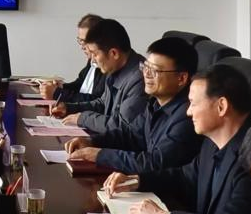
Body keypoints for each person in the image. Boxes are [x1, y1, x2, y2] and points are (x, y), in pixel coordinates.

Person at [103, 64, 251, 214]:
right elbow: (184, 177)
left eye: (193, 104)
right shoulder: (212, 143)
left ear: (221, 106)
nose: (188, 112)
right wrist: (136, 181)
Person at [65, 37, 201, 174]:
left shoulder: (187, 116)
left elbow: (155, 163)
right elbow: (130, 135)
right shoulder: (155, 103)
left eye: (155, 70)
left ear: (181, 78)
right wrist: (92, 142)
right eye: (145, 67)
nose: (146, 74)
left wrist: (100, 155)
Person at [51, 18, 146, 134]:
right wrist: (69, 108)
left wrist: (84, 119)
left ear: (113, 53)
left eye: (95, 54)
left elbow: (123, 127)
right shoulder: (115, 68)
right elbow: (102, 104)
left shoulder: (140, 78)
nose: (92, 60)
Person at [39, 14, 105, 103]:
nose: (82, 47)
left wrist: (57, 93)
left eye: (85, 41)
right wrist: (59, 87)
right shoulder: (91, 60)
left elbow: (96, 101)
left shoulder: (108, 66)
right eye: (80, 41)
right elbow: (79, 85)